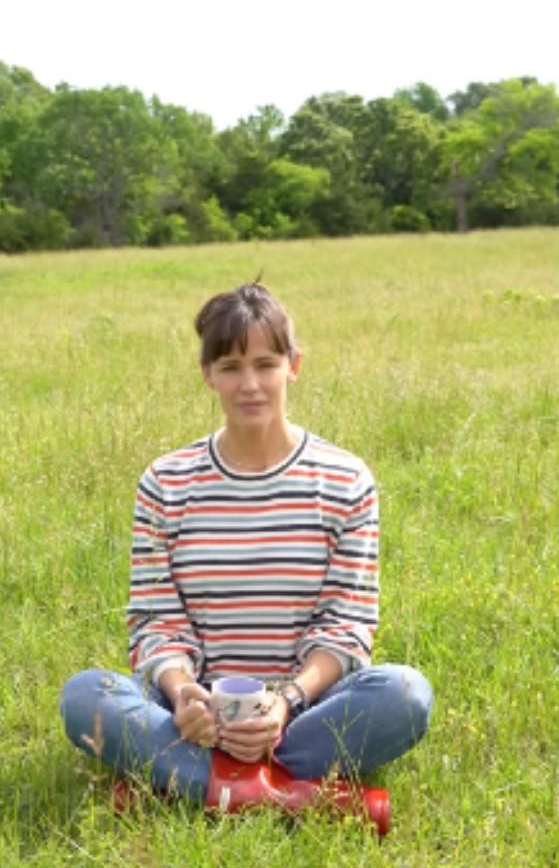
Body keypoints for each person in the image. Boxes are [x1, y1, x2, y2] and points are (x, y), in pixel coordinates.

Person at [60, 281, 432, 802]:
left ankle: (188, 785)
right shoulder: (166, 482)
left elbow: (346, 627)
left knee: (405, 694)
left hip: (303, 709)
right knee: (85, 696)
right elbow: (155, 620)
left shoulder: (346, 480)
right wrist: (184, 692)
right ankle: (280, 795)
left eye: (265, 364)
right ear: (207, 374)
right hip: (192, 717)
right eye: (231, 367)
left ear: (294, 366)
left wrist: (284, 701)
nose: (250, 384)